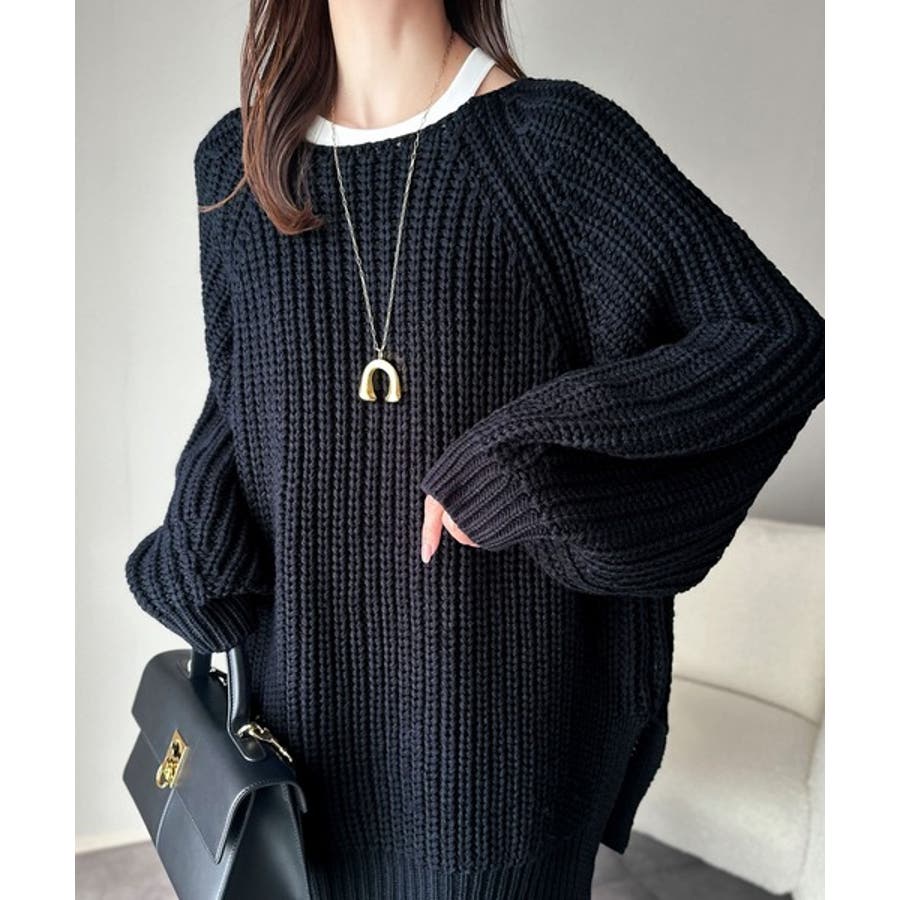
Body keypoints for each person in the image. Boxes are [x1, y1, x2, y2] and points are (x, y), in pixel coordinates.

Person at [124, 1, 826, 896]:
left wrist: (533, 457)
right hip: (293, 763)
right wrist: (201, 533)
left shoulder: (554, 145)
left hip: (491, 767)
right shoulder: (237, 168)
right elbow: (241, 395)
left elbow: (774, 339)